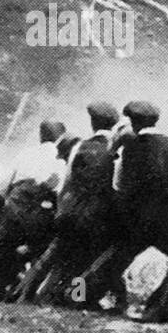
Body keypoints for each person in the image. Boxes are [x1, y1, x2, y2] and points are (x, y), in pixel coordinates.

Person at [81, 101, 168, 321]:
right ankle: (158, 307)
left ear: (133, 121)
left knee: (109, 263)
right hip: (163, 221)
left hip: (135, 221)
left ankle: (77, 297)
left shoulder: (131, 147)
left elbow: (121, 186)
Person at [33, 102, 121, 308]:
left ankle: (44, 296)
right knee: (85, 263)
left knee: (64, 260)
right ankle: (74, 300)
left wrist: (63, 212)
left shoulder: (79, 147)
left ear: (92, 123)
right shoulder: (117, 150)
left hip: (73, 214)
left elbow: (67, 183)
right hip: (98, 217)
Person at [0, 120, 68, 300]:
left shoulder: (27, 153)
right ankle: (26, 291)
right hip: (42, 217)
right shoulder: (64, 157)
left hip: (15, 211)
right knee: (40, 252)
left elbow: (3, 188)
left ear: (41, 136)